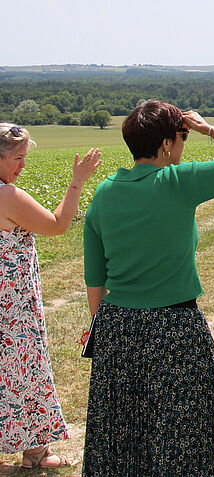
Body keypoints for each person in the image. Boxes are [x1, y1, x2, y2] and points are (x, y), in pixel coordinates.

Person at [81, 100, 214, 476]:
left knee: (123, 434)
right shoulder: (177, 182)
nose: (185, 144)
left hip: (117, 329)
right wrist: (206, 128)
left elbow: (94, 279)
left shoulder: (104, 193)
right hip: (175, 328)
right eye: (182, 137)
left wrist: (106, 331)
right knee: (188, 430)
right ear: (167, 144)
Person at [0, 123, 101, 469]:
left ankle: (31, 451)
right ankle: (36, 453)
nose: (23, 165)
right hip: (12, 305)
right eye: (17, 158)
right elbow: (58, 224)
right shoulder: (7, 196)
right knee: (24, 368)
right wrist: (77, 182)